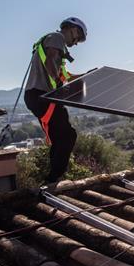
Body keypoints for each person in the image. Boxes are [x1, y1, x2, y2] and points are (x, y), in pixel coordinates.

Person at [23, 17, 87, 185]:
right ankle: (53, 178)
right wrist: (58, 85)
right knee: (68, 136)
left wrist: (88, 75)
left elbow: (66, 76)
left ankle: (51, 179)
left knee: (60, 138)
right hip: (42, 96)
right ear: (71, 28)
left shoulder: (59, 49)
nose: (77, 42)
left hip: (40, 97)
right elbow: (50, 59)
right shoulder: (56, 38)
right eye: (78, 36)